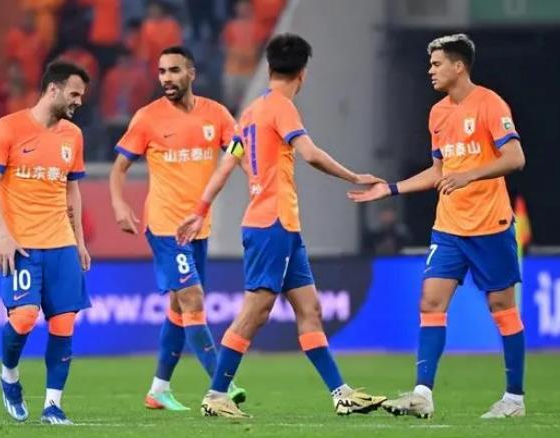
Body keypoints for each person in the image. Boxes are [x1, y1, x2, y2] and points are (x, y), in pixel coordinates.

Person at [177, 33, 386, 418]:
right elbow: (310, 154)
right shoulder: (282, 108)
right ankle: (216, 394)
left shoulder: (250, 113)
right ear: (302, 73)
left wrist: (200, 209)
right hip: (271, 224)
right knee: (256, 309)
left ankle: (340, 394)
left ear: (271, 66)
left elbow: (227, 165)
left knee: (310, 308)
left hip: (282, 226)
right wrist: (355, 176)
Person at [347, 33, 526, 419]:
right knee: (430, 301)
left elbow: (515, 157)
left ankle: (514, 399)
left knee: (502, 307)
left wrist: (469, 175)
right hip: (449, 227)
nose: (430, 70)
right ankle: (422, 394)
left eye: (437, 63)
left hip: (490, 224)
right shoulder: (438, 114)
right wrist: (390, 189)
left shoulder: (490, 104)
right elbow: (438, 172)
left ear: (458, 66)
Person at [109, 46, 246, 411]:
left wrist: (257, 180)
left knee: (179, 305)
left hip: (199, 226)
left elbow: (238, 150)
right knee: (193, 298)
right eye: (162, 71)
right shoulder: (147, 118)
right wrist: (119, 204)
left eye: (173, 70)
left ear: (191, 73)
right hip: (166, 226)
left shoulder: (216, 114)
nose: (166, 78)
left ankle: (158, 389)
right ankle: (222, 386)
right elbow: (119, 168)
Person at [0, 61, 91, 425]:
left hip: (61, 243)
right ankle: (9, 375)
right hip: (22, 244)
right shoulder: (8, 127)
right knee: (24, 318)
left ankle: (52, 405)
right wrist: (3, 235)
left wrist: (80, 241)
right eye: (74, 94)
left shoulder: (73, 135)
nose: (78, 101)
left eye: (81, 96)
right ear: (53, 89)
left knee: (64, 324)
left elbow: (72, 189)